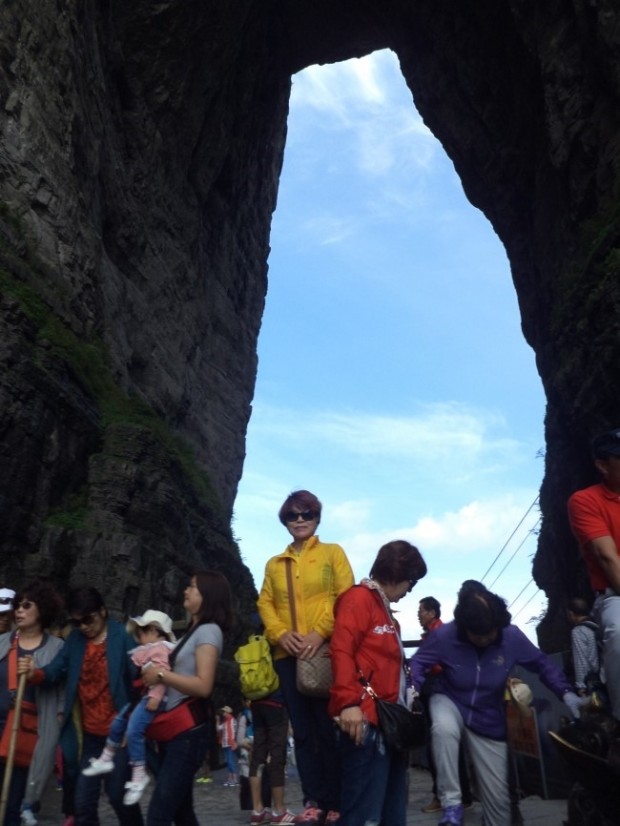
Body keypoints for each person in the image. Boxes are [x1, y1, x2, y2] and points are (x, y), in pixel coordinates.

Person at [410, 580, 582, 826]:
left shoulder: (511, 636)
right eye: (477, 635)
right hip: (450, 699)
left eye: (489, 634)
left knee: (499, 808)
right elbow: (418, 663)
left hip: (488, 716)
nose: (484, 640)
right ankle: (451, 803)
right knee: (443, 729)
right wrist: (414, 688)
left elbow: (542, 664)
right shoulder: (445, 636)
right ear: (464, 628)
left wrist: (566, 693)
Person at [257, 490, 355, 825]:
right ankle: (313, 801)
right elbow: (265, 603)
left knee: (328, 728)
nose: (300, 520)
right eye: (293, 515)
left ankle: (336, 801)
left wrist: (320, 632)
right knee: (301, 731)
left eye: (307, 514)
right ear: (284, 521)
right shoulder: (274, 564)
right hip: (287, 655)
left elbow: (345, 595)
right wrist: (280, 634)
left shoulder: (332, 553)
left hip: (324, 652)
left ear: (317, 518)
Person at [19, 586, 143, 826]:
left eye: (88, 619)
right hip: (89, 737)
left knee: (118, 796)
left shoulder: (121, 636)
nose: (84, 627)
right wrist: (36, 673)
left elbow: (138, 680)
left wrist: (133, 723)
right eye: (77, 623)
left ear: (102, 612)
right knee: (82, 805)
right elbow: (56, 670)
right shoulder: (75, 641)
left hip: (119, 736)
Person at [328, 539, 427, 826]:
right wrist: (348, 703)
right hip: (366, 720)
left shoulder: (385, 611)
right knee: (364, 814)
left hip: (389, 723)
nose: (410, 590)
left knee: (392, 813)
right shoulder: (358, 599)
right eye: (411, 582)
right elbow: (341, 649)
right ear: (397, 575)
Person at [140, 570, 233, 826]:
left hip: (188, 732)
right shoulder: (195, 631)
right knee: (182, 813)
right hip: (177, 730)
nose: (186, 590)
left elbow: (204, 686)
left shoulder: (208, 631)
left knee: (159, 813)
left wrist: (160, 674)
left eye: (192, 587)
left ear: (208, 595)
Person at [81, 610, 177, 805]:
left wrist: (155, 696)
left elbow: (162, 674)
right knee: (118, 722)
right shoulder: (148, 650)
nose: (138, 637)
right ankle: (106, 757)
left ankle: (139, 773)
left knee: (134, 731)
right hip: (142, 697)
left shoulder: (160, 650)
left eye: (141, 632)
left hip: (152, 698)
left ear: (154, 631)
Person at [0, 582, 64, 826]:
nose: (19, 610)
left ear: (43, 609)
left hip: (26, 733)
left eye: (27, 605)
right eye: (18, 605)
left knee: (12, 802)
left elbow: (61, 691)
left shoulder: (57, 648)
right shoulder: (2, 642)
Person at [567, 427, 620, 720]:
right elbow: (608, 558)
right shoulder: (586, 500)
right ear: (603, 465)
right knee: (619, 633)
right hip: (615, 593)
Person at [416, 597, 472, 816]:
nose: (419, 615)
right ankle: (463, 796)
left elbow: (440, 663)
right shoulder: (440, 633)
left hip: (438, 691)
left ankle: (443, 796)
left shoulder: (437, 635)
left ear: (432, 613)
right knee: (452, 746)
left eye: (421, 610)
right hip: (449, 692)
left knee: (437, 746)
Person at [247, 688, 293, 825]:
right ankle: (279, 810)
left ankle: (257, 811)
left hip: (256, 701)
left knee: (257, 756)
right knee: (277, 755)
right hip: (276, 702)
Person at [567, 597, 604, 697]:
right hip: (606, 676)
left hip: (593, 682)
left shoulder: (578, 631)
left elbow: (581, 659)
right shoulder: (597, 625)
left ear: (571, 613)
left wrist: (581, 686)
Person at [218, 705, 239, 786]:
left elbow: (235, 732)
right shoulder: (225, 721)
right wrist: (217, 720)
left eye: (224, 712)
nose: (223, 713)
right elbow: (218, 728)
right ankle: (230, 778)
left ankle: (235, 779)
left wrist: (234, 742)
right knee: (228, 761)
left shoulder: (232, 720)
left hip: (230, 744)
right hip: (225, 743)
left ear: (227, 712)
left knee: (231, 761)